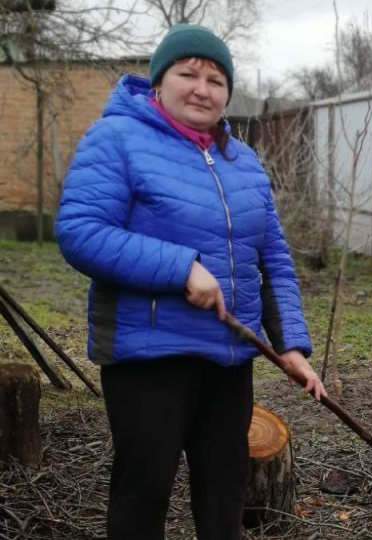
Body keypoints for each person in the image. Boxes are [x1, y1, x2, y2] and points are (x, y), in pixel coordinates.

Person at [55, 24, 326, 540]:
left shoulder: (242, 161)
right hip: (149, 359)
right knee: (142, 499)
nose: (203, 88)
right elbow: (80, 232)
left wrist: (290, 342)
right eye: (189, 74)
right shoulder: (117, 139)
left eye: (216, 79)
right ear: (160, 82)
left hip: (228, 363)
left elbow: (274, 259)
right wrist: (180, 267)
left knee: (224, 503)